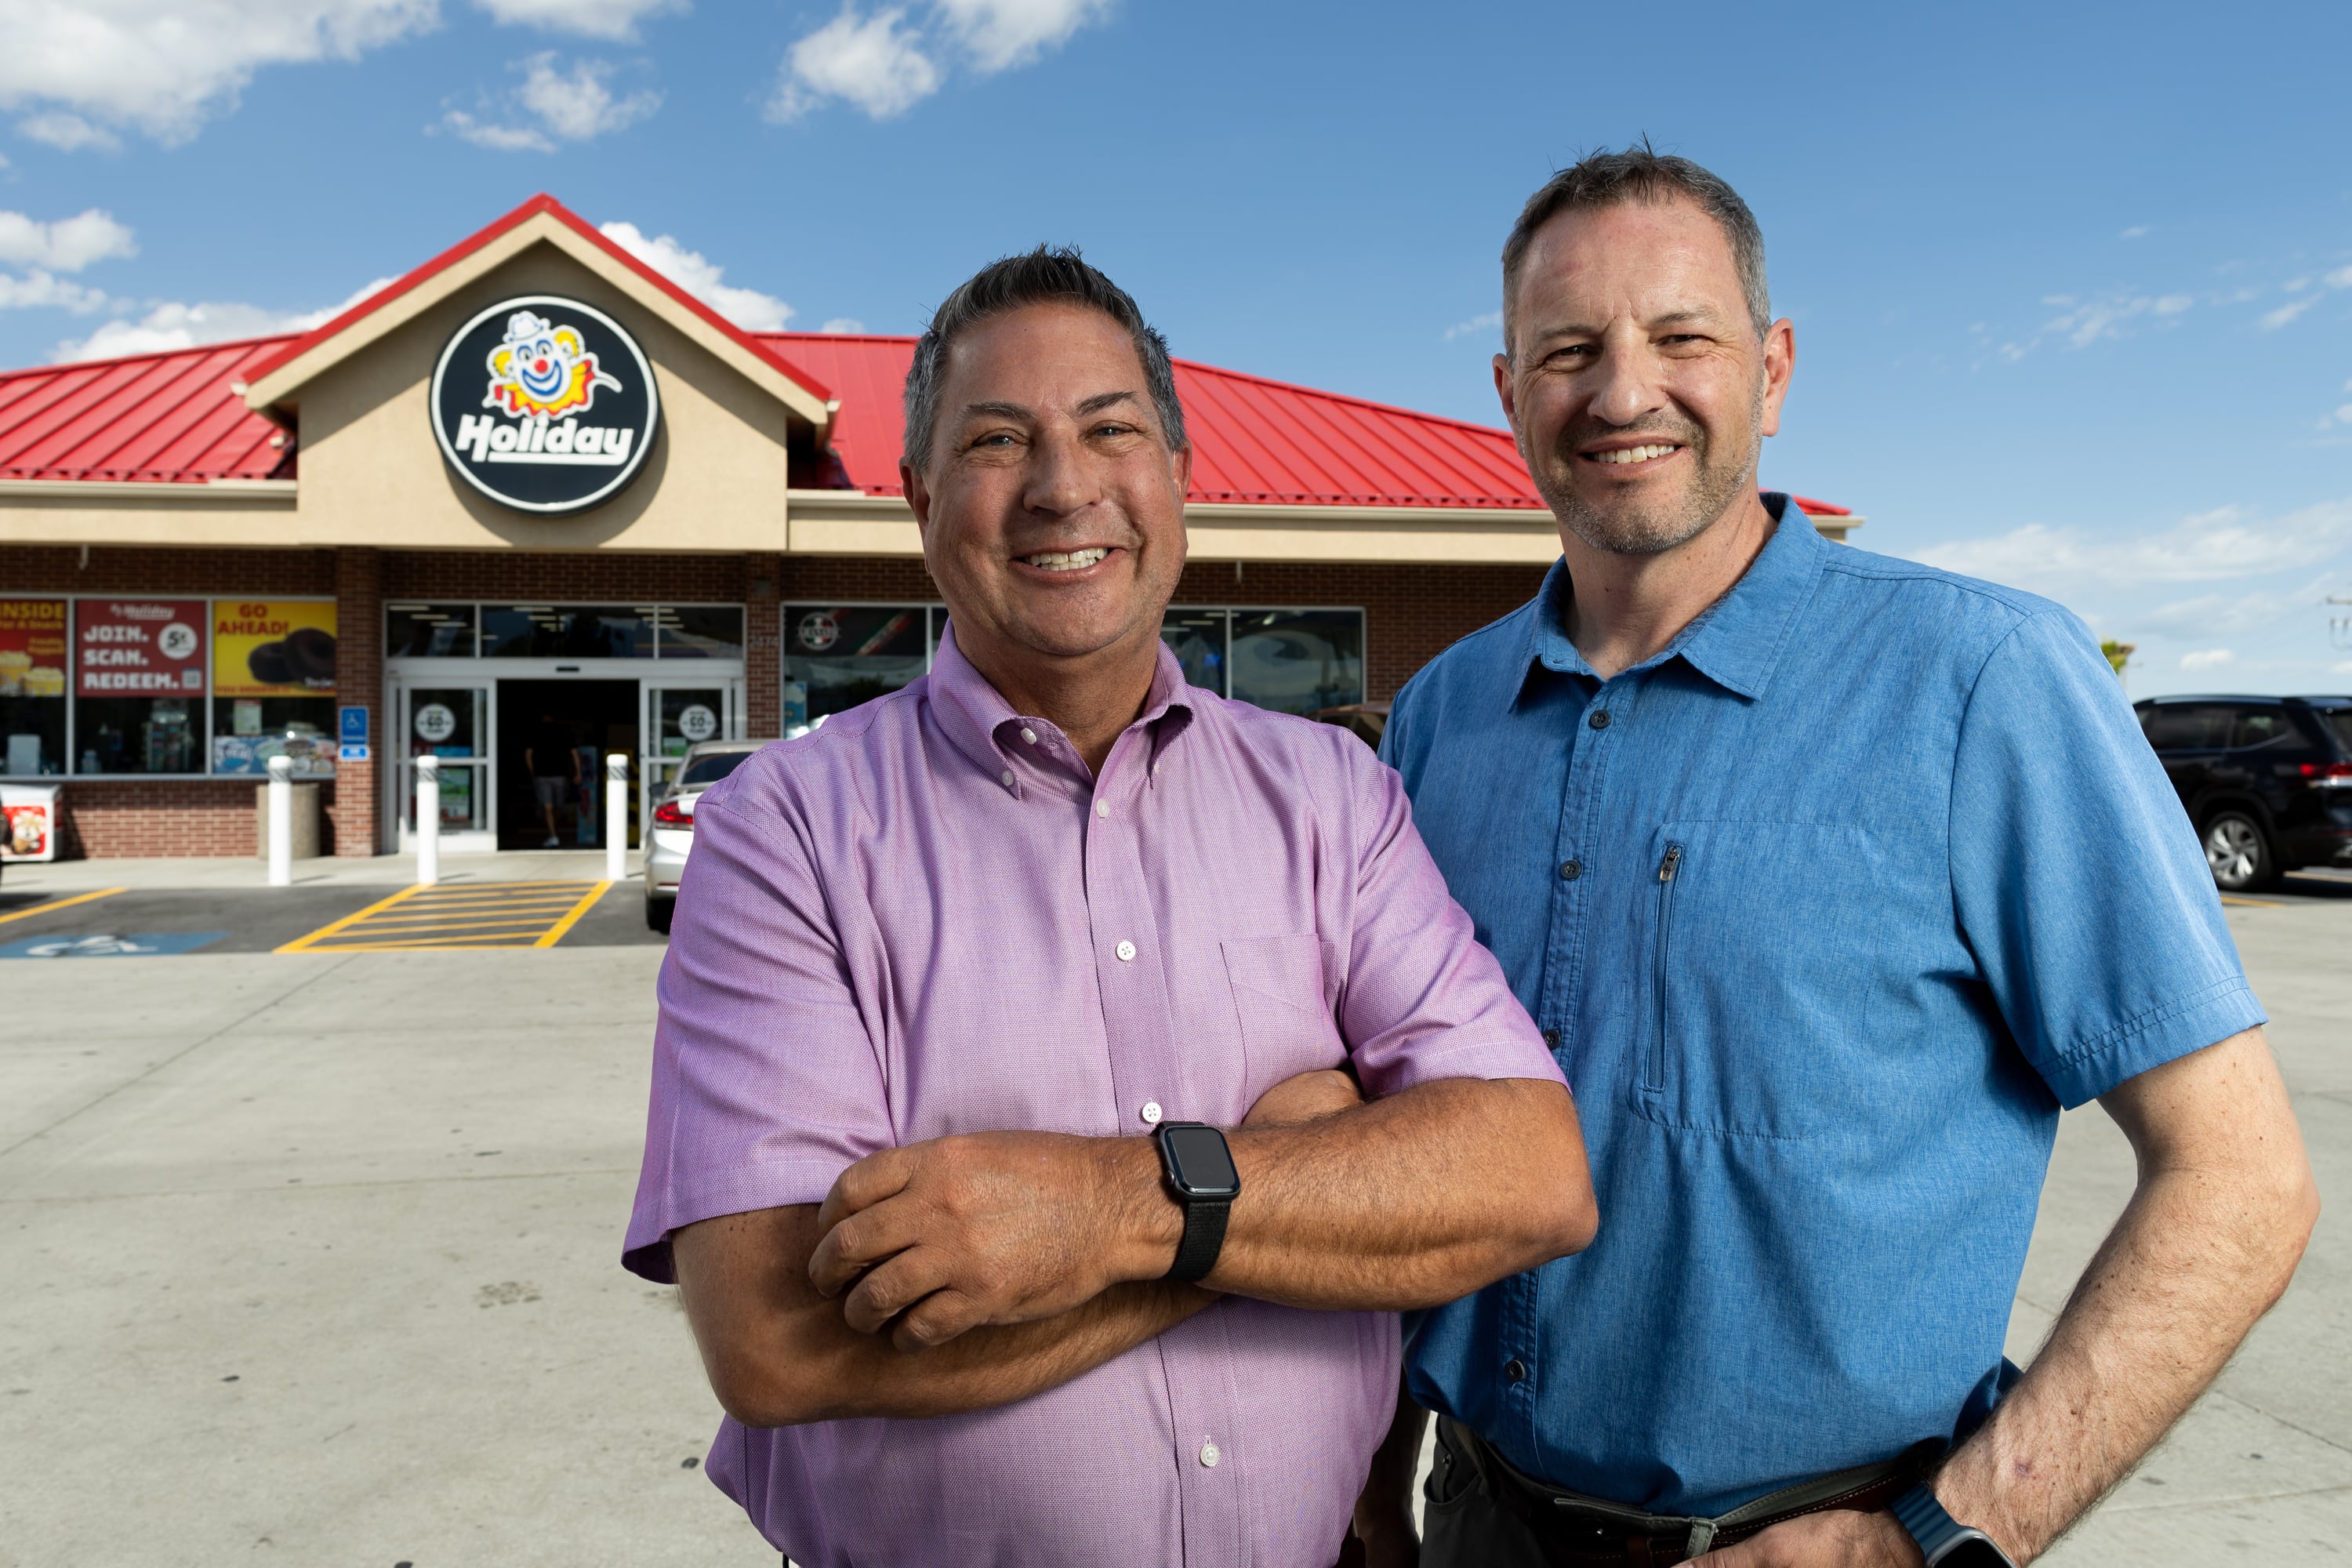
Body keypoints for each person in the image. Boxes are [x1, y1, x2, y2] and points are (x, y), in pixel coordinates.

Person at [1359, 148, 2320, 1566]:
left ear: (1774, 366)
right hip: (1473, 1521)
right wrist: (1374, 1479)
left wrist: (1942, 1536)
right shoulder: (1442, 718)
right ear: (1509, 392)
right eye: (1569, 350)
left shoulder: (1983, 682)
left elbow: (2242, 1180)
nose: (1624, 393)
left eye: (1680, 337)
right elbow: (1392, 1135)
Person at [619, 249, 1599, 1568]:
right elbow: (779, 1345)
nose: (1062, 486)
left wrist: (1104, 1212)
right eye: (998, 439)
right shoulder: (781, 833)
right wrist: (1283, 1188)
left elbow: (1530, 1178)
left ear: (1179, 478)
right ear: (920, 501)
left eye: (1109, 429)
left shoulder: (1331, 797)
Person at [522, 710, 579, 848]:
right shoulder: (565, 731)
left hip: (542, 776)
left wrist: (533, 772)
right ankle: (555, 833)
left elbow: (528, 754)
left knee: (548, 808)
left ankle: (553, 836)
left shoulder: (536, 732)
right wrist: (578, 772)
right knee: (558, 806)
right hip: (561, 775)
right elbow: (575, 753)